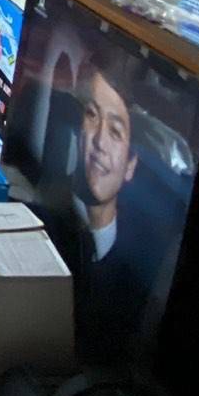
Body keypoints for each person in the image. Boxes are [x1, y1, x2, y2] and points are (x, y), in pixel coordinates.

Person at [40, 46, 165, 363]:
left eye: (116, 131)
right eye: (92, 116)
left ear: (131, 164)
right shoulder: (40, 214)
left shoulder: (146, 262)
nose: (98, 142)